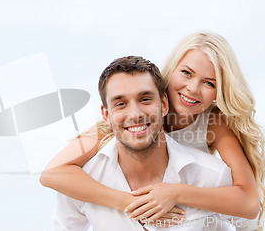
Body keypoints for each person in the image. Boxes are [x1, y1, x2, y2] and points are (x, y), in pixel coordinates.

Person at [41, 32, 265, 228]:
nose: (192, 88)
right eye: (186, 73)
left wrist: (176, 193)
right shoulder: (122, 122)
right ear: (170, 72)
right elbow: (52, 173)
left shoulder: (212, 123)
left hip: (195, 213)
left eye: (209, 83)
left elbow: (249, 203)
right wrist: (129, 203)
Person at [53, 56, 238, 230]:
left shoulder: (212, 176)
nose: (135, 114)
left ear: (164, 104)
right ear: (106, 115)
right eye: (121, 104)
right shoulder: (82, 181)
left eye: (145, 99)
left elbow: (249, 223)